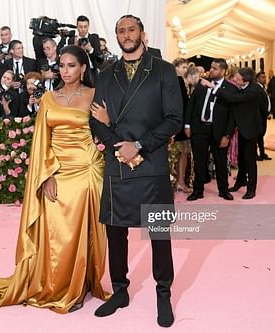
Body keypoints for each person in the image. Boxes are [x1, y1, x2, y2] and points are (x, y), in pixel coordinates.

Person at [0, 45, 109, 313]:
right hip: (58, 173)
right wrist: (47, 175)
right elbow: (42, 142)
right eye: (61, 65)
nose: (65, 71)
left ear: (83, 68)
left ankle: (81, 284)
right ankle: (59, 286)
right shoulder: (49, 98)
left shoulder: (95, 95)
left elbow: (108, 130)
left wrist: (107, 120)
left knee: (84, 232)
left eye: (71, 65)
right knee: (60, 233)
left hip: (88, 171)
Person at [90, 15, 182, 328]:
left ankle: (163, 294)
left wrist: (139, 146)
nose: (126, 35)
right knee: (116, 232)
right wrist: (122, 147)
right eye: (120, 31)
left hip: (151, 162)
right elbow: (95, 121)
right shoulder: (105, 74)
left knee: (159, 233)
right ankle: (119, 291)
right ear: (116, 36)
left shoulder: (163, 70)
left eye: (131, 29)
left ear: (142, 33)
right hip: (118, 163)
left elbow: (173, 118)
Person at [206, 67, 262, 199]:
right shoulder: (240, 87)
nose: (234, 79)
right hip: (241, 129)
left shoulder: (254, 90)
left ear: (246, 80)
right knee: (242, 158)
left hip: (250, 130)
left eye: (237, 78)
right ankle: (240, 181)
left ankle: (251, 188)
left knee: (250, 160)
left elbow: (232, 98)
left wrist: (212, 87)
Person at [185, 58, 236, 201]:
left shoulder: (230, 89)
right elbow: (191, 104)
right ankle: (198, 191)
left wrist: (228, 135)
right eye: (211, 67)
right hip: (199, 129)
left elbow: (232, 116)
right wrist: (187, 125)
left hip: (219, 132)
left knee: (220, 162)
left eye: (215, 68)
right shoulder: (202, 84)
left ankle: (223, 190)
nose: (211, 70)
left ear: (223, 71)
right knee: (199, 162)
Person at [172, 57, 191, 193]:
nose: (185, 70)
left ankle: (178, 181)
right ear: (176, 67)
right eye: (183, 67)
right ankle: (180, 182)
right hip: (180, 123)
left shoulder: (175, 81)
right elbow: (183, 104)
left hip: (175, 122)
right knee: (182, 154)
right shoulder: (178, 81)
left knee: (179, 154)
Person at [255, 71, 272, 161]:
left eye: (265, 77)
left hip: (263, 116)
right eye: (262, 77)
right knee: (257, 136)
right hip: (259, 116)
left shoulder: (263, 88)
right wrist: (267, 113)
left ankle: (262, 153)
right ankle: (255, 154)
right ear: (257, 78)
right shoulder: (257, 88)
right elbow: (260, 104)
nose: (265, 79)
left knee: (261, 135)